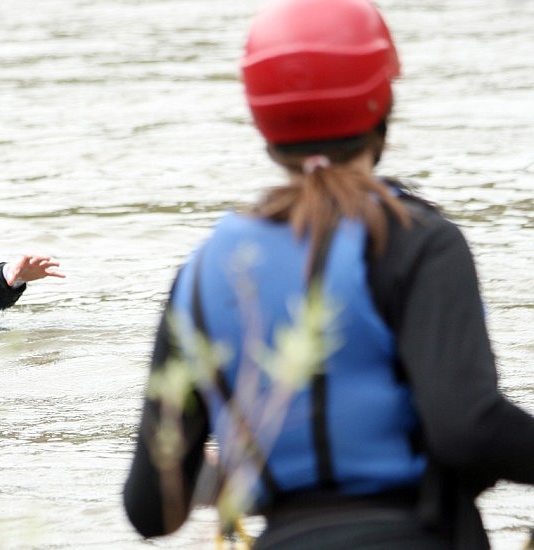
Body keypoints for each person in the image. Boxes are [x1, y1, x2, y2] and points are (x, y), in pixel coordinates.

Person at [122, 0, 534, 548]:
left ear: (262, 118)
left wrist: (255, 477)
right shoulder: (416, 240)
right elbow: (466, 430)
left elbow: (153, 506)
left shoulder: (200, 273)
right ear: (381, 100)